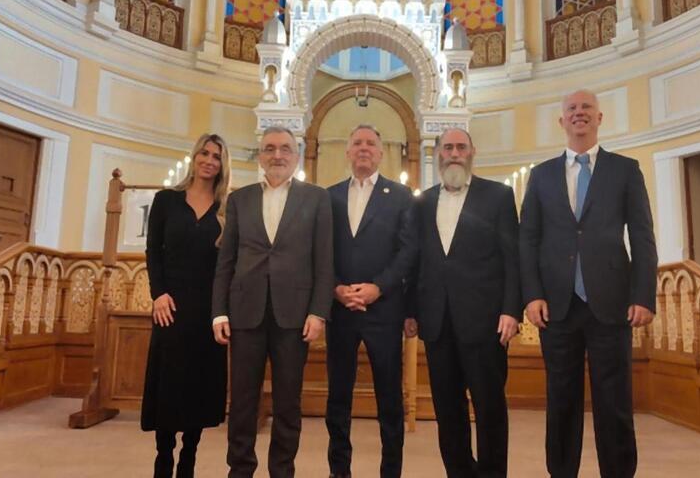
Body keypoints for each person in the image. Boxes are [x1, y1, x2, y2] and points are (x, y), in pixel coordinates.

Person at [519, 90, 657, 478]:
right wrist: (532, 294)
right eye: (572, 109)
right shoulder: (541, 175)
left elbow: (642, 235)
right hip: (556, 305)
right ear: (562, 121)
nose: (579, 113)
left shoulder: (625, 170)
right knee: (561, 400)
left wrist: (643, 295)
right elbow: (527, 238)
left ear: (599, 118)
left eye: (586, 108)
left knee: (614, 401)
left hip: (612, 303)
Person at [212, 125, 335, 478]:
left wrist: (318, 312)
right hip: (244, 313)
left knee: (287, 403)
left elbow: (324, 261)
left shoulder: (317, 198)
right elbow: (226, 261)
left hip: (294, 316)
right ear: (261, 156)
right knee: (242, 401)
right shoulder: (240, 199)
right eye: (269, 148)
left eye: (284, 149)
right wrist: (219, 312)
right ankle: (240, 470)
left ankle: (282, 471)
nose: (277, 155)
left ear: (296, 156)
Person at [405, 127, 521, 478]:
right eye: (448, 147)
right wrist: (411, 311)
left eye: (461, 147)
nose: (454, 153)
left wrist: (511, 310)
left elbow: (512, 258)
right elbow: (415, 261)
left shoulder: (498, 196)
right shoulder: (421, 202)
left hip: (485, 322)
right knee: (448, 411)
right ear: (438, 154)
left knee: (489, 409)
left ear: (472, 152)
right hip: (437, 322)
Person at [326, 125, 416, 478]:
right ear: (347, 151)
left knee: (389, 400)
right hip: (340, 310)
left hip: (384, 310)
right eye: (357, 143)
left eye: (371, 143)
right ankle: (339, 471)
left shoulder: (401, 196)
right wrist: (336, 288)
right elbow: (321, 251)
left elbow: (407, 251)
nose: (364, 148)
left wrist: (378, 287)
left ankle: (390, 472)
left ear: (381, 152)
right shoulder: (329, 196)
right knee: (338, 398)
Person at [141, 133, 231, 478]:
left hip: (208, 311)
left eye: (216, 156)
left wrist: (223, 310)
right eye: (204, 153)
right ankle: (163, 458)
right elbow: (153, 251)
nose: (209, 160)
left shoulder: (227, 209)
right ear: (194, 157)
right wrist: (158, 293)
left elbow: (228, 264)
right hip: (170, 308)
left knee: (199, 386)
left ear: (223, 164)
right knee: (168, 384)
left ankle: (188, 459)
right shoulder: (167, 200)